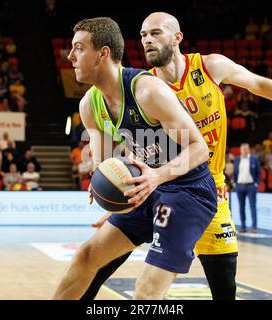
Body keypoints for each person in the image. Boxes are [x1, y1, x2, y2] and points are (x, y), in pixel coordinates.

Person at [81, 12, 272, 301]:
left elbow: (258, 84)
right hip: (161, 187)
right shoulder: (143, 87)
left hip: (210, 187)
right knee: (101, 263)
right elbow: (137, 146)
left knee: (224, 286)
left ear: (177, 37)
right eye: (143, 35)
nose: (147, 40)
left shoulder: (210, 66)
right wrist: (121, 191)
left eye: (155, 33)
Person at [53, 17, 217, 300]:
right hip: (144, 188)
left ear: (103, 53)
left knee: (146, 291)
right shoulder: (89, 105)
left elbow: (199, 148)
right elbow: (107, 163)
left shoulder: (147, 91)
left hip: (187, 191)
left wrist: (157, 176)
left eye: (78, 48)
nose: (70, 57)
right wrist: (111, 193)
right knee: (86, 256)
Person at [233, 143, 261, 233]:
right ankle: (243, 226)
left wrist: (256, 184)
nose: (244, 150)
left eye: (246, 149)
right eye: (243, 149)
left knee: (252, 207)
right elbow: (235, 172)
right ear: (240, 150)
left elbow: (258, 172)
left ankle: (254, 227)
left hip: (251, 186)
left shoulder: (254, 159)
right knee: (241, 207)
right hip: (240, 186)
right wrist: (235, 183)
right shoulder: (237, 160)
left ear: (249, 150)